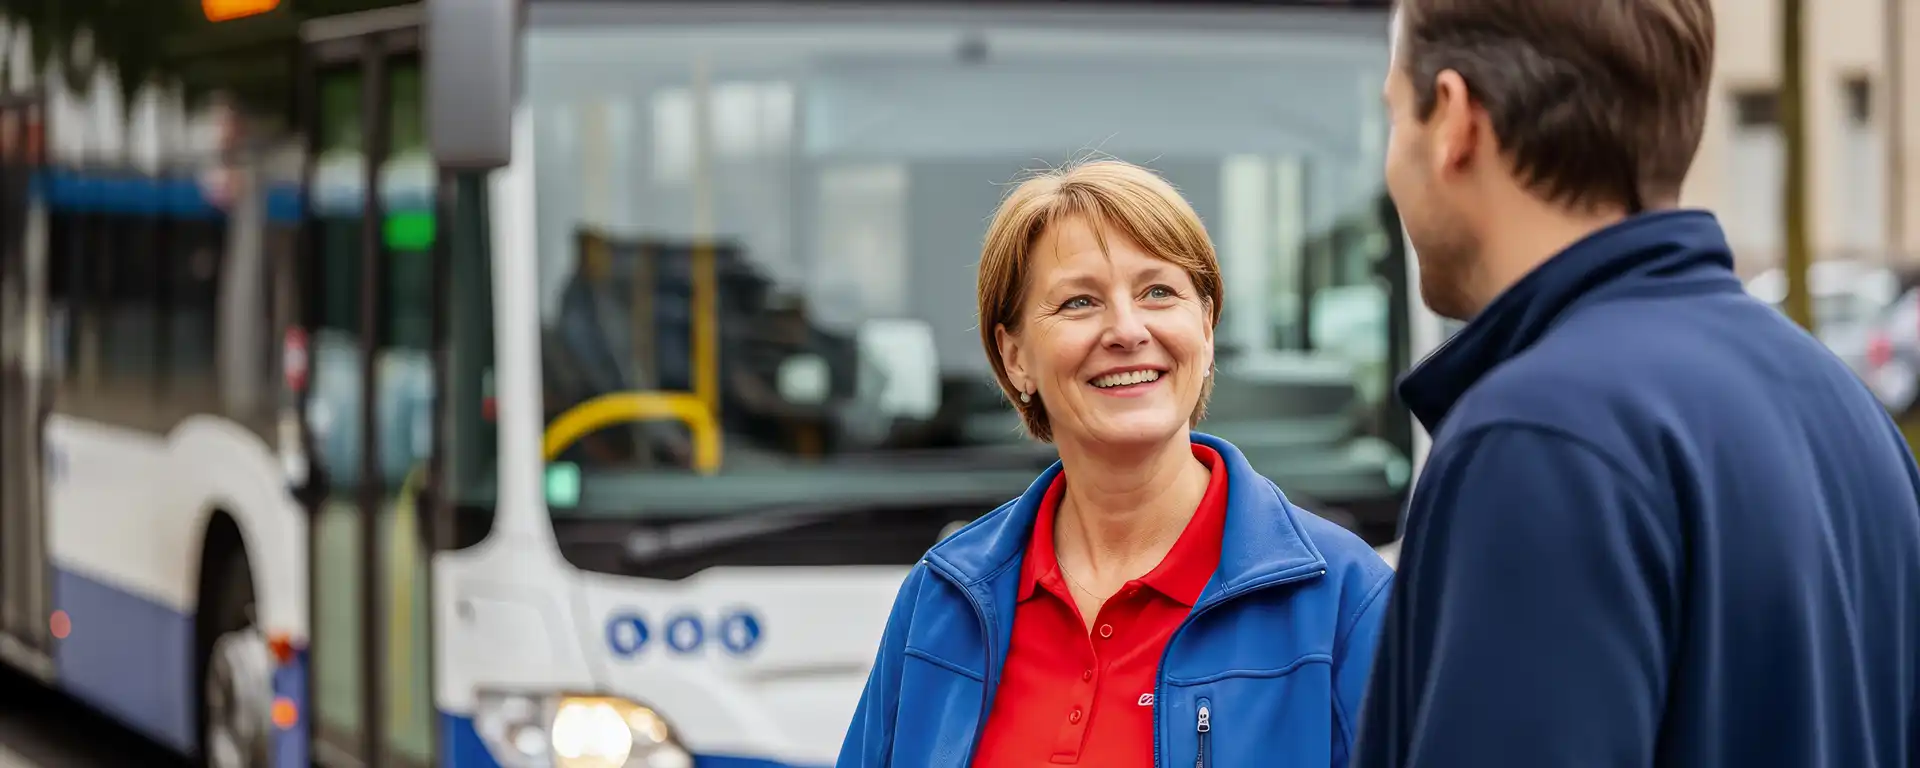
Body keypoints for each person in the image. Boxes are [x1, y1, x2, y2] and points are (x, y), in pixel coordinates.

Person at [1354, 1, 1920, 766]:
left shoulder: (1538, 437)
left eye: (1395, 116)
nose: (1393, 166)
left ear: (1454, 119)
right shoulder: (1844, 404)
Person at [836, 159, 1393, 768]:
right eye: (1079, 302)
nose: (1127, 330)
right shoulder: (941, 600)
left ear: (1205, 328)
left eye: (1159, 292)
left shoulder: (1346, 601)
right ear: (1014, 355)